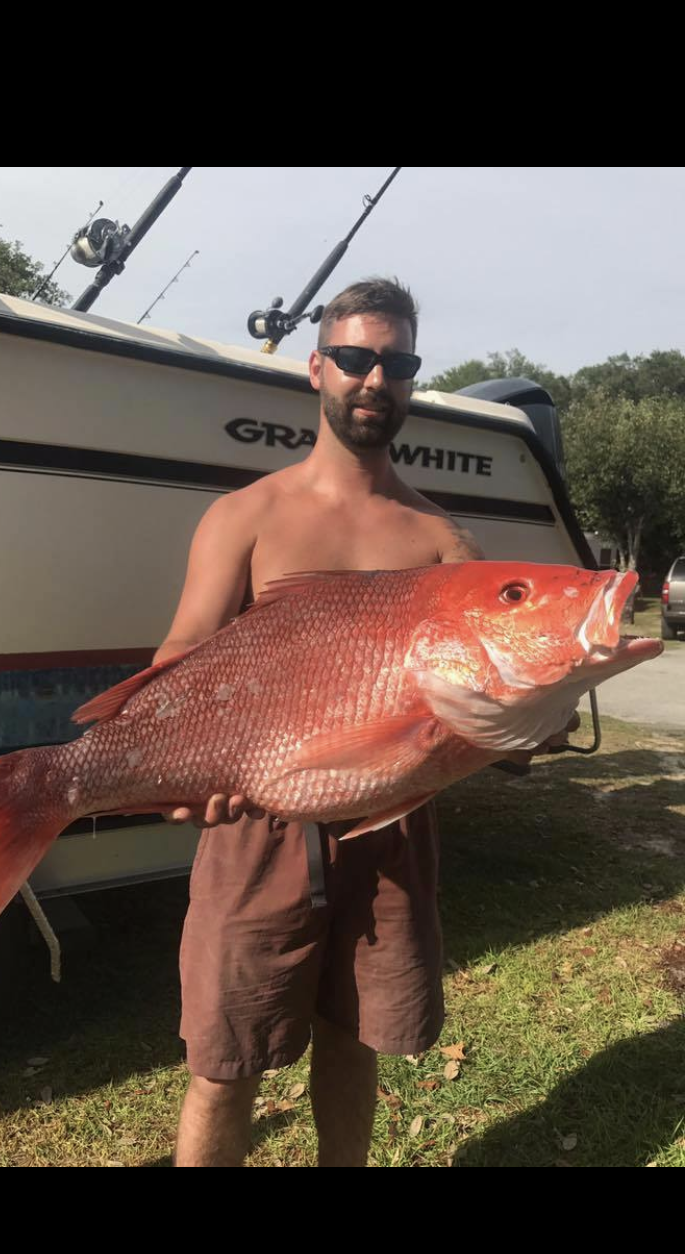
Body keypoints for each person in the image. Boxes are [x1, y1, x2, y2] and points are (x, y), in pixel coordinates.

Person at [154, 278, 574, 1167]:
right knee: (224, 1066)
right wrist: (178, 762)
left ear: (413, 378)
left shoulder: (442, 543)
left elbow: (488, 707)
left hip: (389, 831)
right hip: (258, 828)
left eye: (397, 362)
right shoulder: (246, 516)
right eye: (354, 357)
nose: (375, 378)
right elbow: (184, 652)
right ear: (317, 368)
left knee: (354, 1042)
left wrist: (541, 713)